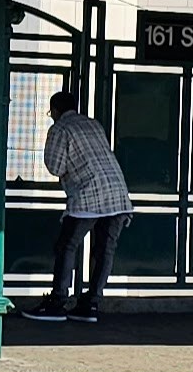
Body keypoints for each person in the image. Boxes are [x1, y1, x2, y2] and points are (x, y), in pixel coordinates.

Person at [26, 87, 128, 323]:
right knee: (105, 250)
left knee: (67, 246)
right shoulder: (93, 124)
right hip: (119, 195)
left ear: (54, 110)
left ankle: (58, 301)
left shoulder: (60, 128)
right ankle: (90, 304)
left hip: (88, 197)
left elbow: (55, 167)